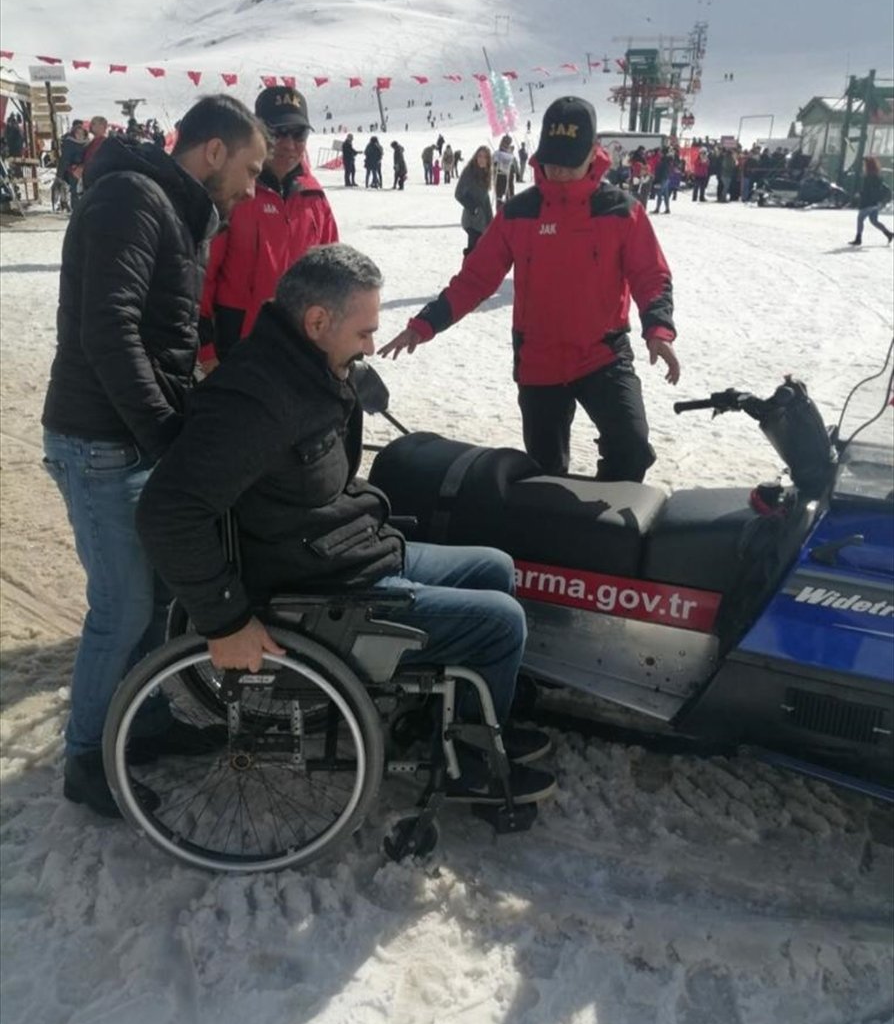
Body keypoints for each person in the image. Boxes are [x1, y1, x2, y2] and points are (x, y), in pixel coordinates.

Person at [136, 244, 556, 808]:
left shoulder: (306, 368)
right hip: (315, 585)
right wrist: (225, 619)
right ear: (316, 322)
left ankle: (443, 722)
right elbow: (168, 510)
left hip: (343, 547)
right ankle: (468, 765)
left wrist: (349, 389)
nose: (369, 346)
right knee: (501, 623)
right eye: (363, 333)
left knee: (494, 567)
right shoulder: (255, 401)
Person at [41, 94, 269, 818]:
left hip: (130, 436)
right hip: (99, 440)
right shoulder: (131, 201)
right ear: (212, 152)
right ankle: (85, 759)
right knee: (123, 602)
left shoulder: (173, 209)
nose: (253, 187)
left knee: (159, 593)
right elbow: (110, 331)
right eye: (250, 167)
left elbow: (166, 336)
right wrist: (162, 434)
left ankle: (142, 720)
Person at [379, 96, 680, 482]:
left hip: (602, 355)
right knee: (545, 473)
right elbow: (475, 279)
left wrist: (658, 330)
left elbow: (650, 275)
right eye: (551, 159)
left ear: (593, 153)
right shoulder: (520, 212)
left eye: (569, 161)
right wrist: (425, 324)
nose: (558, 171)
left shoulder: (621, 211)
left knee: (632, 450)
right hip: (540, 360)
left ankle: (604, 533)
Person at [198, 86, 339, 370]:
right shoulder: (233, 192)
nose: (289, 144)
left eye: (298, 133)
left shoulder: (314, 198)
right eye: (278, 132)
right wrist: (206, 350)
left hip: (299, 347)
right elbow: (202, 276)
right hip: (236, 348)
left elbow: (333, 278)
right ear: (258, 135)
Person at [454, 144, 494, 256]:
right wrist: (473, 208)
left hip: (483, 222)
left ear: (488, 160)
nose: (481, 159)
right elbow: (458, 194)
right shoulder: (469, 172)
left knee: (481, 253)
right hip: (472, 221)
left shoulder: (485, 174)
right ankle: (466, 273)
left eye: (485, 157)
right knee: (473, 253)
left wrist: (491, 221)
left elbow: (485, 200)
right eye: (479, 156)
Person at [848, 156, 893, 246]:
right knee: (874, 221)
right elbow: (882, 188)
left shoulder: (868, 177)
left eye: (864, 164)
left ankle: (858, 239)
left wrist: (860, 194)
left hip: (868, 202)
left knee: (860, 219)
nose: (863, 166)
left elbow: (867, 190)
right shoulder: (877, 176)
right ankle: (888, 233)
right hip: (875, 203)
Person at [56, 120, 88, 210]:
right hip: (73, 170)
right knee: (74, 192)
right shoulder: (69, 142)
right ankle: (76, 212)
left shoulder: (88, 143)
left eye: (81, 132)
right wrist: (60, 174)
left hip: (86, 170)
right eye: (78, 132)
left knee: (85, 191)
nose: (80, 134)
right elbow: (65, 158)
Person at [492, 134, 518, 207]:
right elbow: (494, 164)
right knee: (500, 199)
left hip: (508, 178)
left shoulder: (510, 155)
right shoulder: (498, 153)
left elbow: (514, 166)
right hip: (500, 178)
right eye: (504, 143)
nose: (505, 145)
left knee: (509, 197)